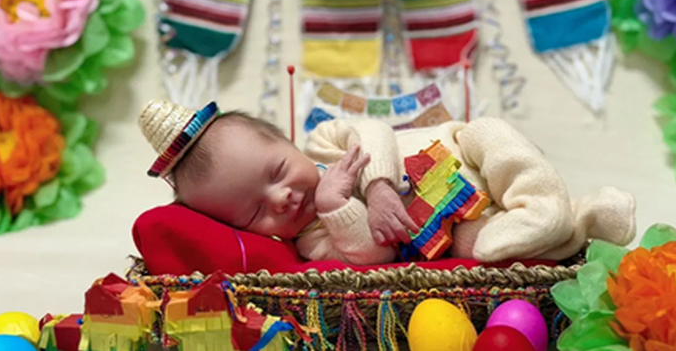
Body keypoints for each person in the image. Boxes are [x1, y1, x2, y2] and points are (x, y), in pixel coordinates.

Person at [140, 99, 636, 265]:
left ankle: (544, 204)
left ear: (286, 141)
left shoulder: (323, 144)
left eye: (276, 172)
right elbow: (371, 256)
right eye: (255, 212)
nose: (282, 198)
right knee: (477, 247)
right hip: (452, 225)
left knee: (489, 133)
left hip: (461, 153)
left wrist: (376, 187)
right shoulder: (313, 240)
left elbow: (373, 130)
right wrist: (338, 208)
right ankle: (582, 220)